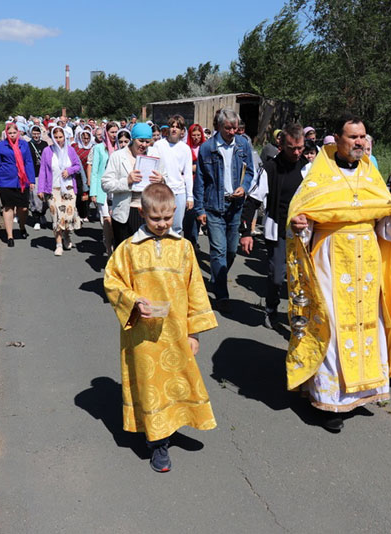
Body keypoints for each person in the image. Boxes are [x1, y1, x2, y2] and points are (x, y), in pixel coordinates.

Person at [286, 114, 391, 431]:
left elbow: (386, 227)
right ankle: (329, 400)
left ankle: (359, 393)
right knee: (331, 327)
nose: (359, 142)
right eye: (353, 137)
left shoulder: (371, 174)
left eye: (363, 137)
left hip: (367, 263)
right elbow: (301, 218)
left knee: (366, 327)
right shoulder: (319, 174)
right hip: (330, 262)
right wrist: (300, 227)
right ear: (338, 139)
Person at [103, 183, 218, 472]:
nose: (162, 224)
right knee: (151, 385)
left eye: (167, 218)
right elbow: (112, 281)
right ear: (142, 213)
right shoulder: (129, 249)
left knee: (179, 380)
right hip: (143, 335)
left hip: (177, 332)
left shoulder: (184, 247)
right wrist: (132, 300)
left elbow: (196, 290)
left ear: (174, 212)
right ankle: (158, 443)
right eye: (156, 219)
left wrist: (194, 332)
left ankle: (174, 426)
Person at [240, 123, 307, 328]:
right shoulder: (270, 168)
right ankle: (271, 308)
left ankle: (301, 314)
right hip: (278, 229)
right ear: (281, 145)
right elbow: (253, 199)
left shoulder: (309, 168)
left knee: (304, 277)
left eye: (300, 148)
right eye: (291, 148)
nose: (296, 153)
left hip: (306, 232)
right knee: (277, 275)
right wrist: (246, 233)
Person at [193, 108, 255, 311]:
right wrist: (199, 209)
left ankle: (217, 276)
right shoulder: (207, 148)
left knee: (230, 250)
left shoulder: (243, 144)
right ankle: (222, 294)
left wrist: (244, 187)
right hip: (214, 206)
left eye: (235, 128)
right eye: (228, 128)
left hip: (235, 206)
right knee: (218, 250)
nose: (232, 131)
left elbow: (250, 172)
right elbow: (200, 180)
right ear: (219, 126)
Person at [101, 122, 167, 244]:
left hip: (148, 210)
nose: (144, 145)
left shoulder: (155, 155)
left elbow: (165, 177)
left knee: (145, 250)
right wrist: (127, 181)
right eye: (140, 141)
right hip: (124, 211)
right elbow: (105, 184)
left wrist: (161, 180)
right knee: (124, 251)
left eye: (147, 142)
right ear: (133, 139)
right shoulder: (118, 156)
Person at [37, 126, 83, 256]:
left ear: (65, 137)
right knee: (56, 216)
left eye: (61, 137)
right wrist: (40, 189)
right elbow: (43, 171)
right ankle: (58, 244)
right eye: (56, 137)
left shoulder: (70, 150)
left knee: (67, 216)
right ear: (52, 138)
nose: (59, 140)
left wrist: (69, 171)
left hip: (68, 188)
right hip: (53, 188)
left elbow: (77, 166)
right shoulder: (47, 151)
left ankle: (67, 235)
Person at [0, 122, 36, 247]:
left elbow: (28, 162)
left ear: (19, 133)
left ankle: (22, 227)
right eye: (9, 133)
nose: (12, 135)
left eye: (14, 133)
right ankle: (10, 235)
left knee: (23, 208)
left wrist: (31, 180)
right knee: (8, 207)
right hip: (5, 181)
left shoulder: (24, 145)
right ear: (6, 133)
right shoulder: (1, 146)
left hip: (22, 181)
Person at [154, 115, 193, 235]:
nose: (174, 129)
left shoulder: (185, 149)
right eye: (172, 126)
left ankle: (174, 252)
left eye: (178, 127)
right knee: (161, 225)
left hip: (179, 192)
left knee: (177, 227)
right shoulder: (159, 145)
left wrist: (190, 197)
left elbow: (188, 174)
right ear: (168, 129)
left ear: (182, 131)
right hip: (162, 191)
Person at [89, 121, 119, 255]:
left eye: (116, 132)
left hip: (117, 189)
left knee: (115, 220)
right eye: (112, 132)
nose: (114, 135)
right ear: (106, 133)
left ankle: (113, 241)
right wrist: (93, 192)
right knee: (106, 219)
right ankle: (108, 249)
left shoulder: (122, 148)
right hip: (103, 190)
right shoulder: (99, 148)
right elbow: (95, 171)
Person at [27, 125, 49, 229]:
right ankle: (36, 218)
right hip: (34, 174)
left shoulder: (45, 144)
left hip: (44, 174)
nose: (36, 135)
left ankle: (42, 214)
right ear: (31, 134)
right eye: (34, 133)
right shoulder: (28, 145)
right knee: (35, 197)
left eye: (37, 133)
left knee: (45, 198)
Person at [72, 128, 94, 221]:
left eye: (87, 138)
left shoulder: (93, 147)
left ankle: (86, 213)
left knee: (88, 194)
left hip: (89, 173)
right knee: (79, 194)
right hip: (78, 175)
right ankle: (77, 212)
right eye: (84, 138)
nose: (86, 140)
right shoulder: (75, 147)